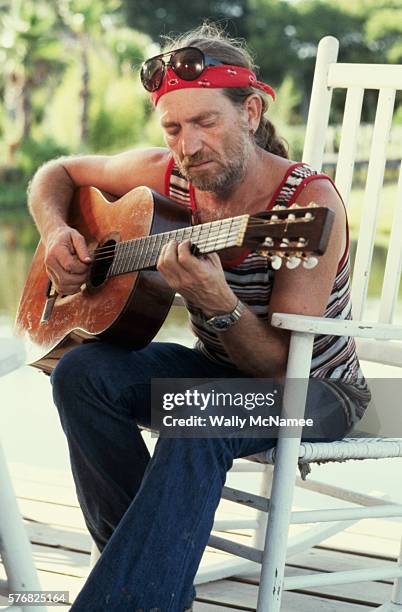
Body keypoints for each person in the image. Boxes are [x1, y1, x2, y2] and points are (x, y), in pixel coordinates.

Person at [27, 23, 371, 612]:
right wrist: (59, 231)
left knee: (197, 415)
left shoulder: (307, 207)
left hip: (316, 390)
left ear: (252, 112)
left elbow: (283, 373)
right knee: (80, 374)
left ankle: (130, 596)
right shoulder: (172, 177)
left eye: (206, 122)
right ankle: (150, 585)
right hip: (217, 374)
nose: (188, 145)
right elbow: (55, 173)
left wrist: (220, 304)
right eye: (173, 127)